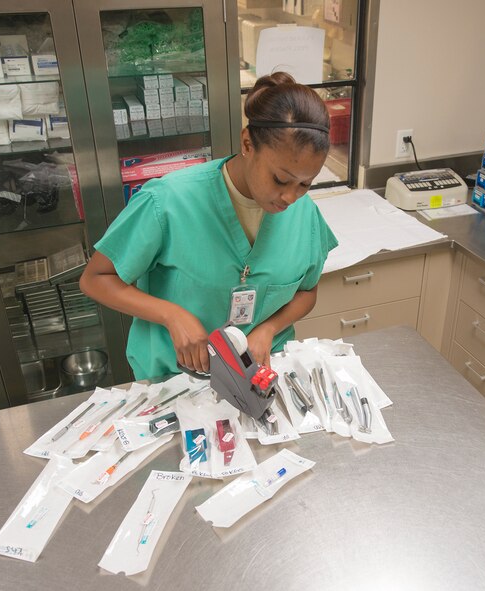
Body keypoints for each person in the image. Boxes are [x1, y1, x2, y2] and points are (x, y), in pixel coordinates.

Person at [80, 72, 338, 380]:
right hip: (176, 379)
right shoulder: (169, 202)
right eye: (280, 179)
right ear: (247, 143)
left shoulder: (303, 215)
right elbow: (96, 278)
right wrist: (172, 315)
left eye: (305, 184)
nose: (289, 197)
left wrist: (269, 329)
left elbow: (307, 292)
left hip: (260, 377)